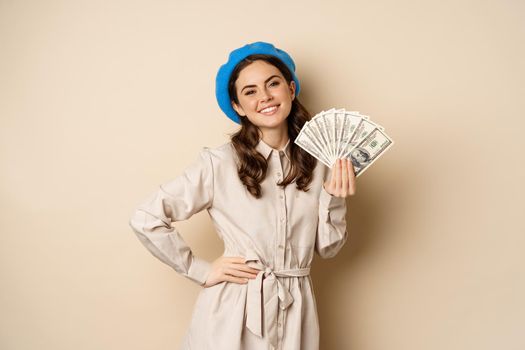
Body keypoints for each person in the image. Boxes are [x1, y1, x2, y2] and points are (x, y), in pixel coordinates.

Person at [128, 41, 356, 350]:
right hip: (232, 311)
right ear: (237, 106)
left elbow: (328, 249)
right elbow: (146, 217)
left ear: (290, 89)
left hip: (296, 311)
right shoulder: (219, 163)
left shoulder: (320, 162)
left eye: (272, 84)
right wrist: (200, 270)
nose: (264, 97)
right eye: (250, 91)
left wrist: (335, 198)